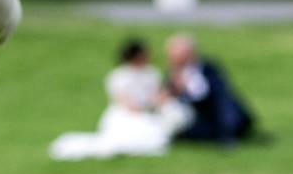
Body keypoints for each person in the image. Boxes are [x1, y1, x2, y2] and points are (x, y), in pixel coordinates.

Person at [49, 39, 191, 160]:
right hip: (127, 114)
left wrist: (166, 95)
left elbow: (158, 94)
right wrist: (145, 108)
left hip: (147, 111)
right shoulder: (119, 76)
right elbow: (124, 101)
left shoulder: (152, 73)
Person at [165, 34, 253, 143]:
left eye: (176, 54)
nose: (172, 58)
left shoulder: (208, 69)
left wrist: (185, 89)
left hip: (216, 117)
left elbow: (215, 95)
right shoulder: (172, 75)